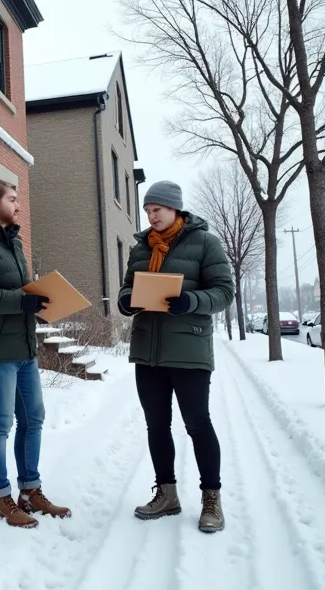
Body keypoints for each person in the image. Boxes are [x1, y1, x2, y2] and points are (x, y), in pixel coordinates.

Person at [0, 178, 72, 529]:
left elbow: (20, 291)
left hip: (23, 346)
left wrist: (39, 299)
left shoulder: (13, 243)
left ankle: (29, 490)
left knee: (33, 419)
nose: (18, 205)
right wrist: (23, 301)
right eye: (12, 199)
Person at [117, 180, 234, 533]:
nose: (151, 216)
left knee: (198, 425)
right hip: (147, 352)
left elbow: (224, 291)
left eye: (158, 210)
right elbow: (127, 287)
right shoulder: (140, 249)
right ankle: (166, 494)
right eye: (148, 211)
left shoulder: (205, 243)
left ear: (175, 209)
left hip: (189, 350)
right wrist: (126, 300)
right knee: (157, 426)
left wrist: (191, 301)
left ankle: (211, 500)